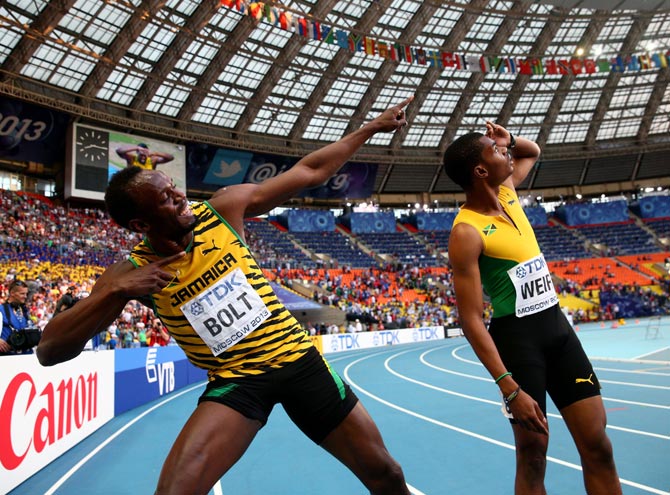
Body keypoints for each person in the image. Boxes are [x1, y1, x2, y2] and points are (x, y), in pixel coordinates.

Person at [37, 97, 414, 495]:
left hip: (299, 361)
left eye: (173, 188)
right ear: (140, 223)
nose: (180, 197)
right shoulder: (130, 273)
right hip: (237, 380)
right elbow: (50, 351)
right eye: (166, 199)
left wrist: (371, 127)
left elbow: (310, 169)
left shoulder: (222, 210)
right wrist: (114, 292)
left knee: (386, 474)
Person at [444, 122, 621, 494]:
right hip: (518, 341)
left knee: (598, 446)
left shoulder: (506, 192)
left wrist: (505, 140)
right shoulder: (467, 232)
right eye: (494, 151)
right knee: (534, 456)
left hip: (556, 327)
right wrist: (509, 389)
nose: (505, 153)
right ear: (479, 171)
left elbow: (531, 151)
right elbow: (471, 320)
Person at [1, 280, 37, 355]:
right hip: (7, 357)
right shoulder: (1, 310)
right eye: (22, 294)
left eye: (26, 294)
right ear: (12, 293)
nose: (25, 296)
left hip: (26, 355)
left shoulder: (24, 311)